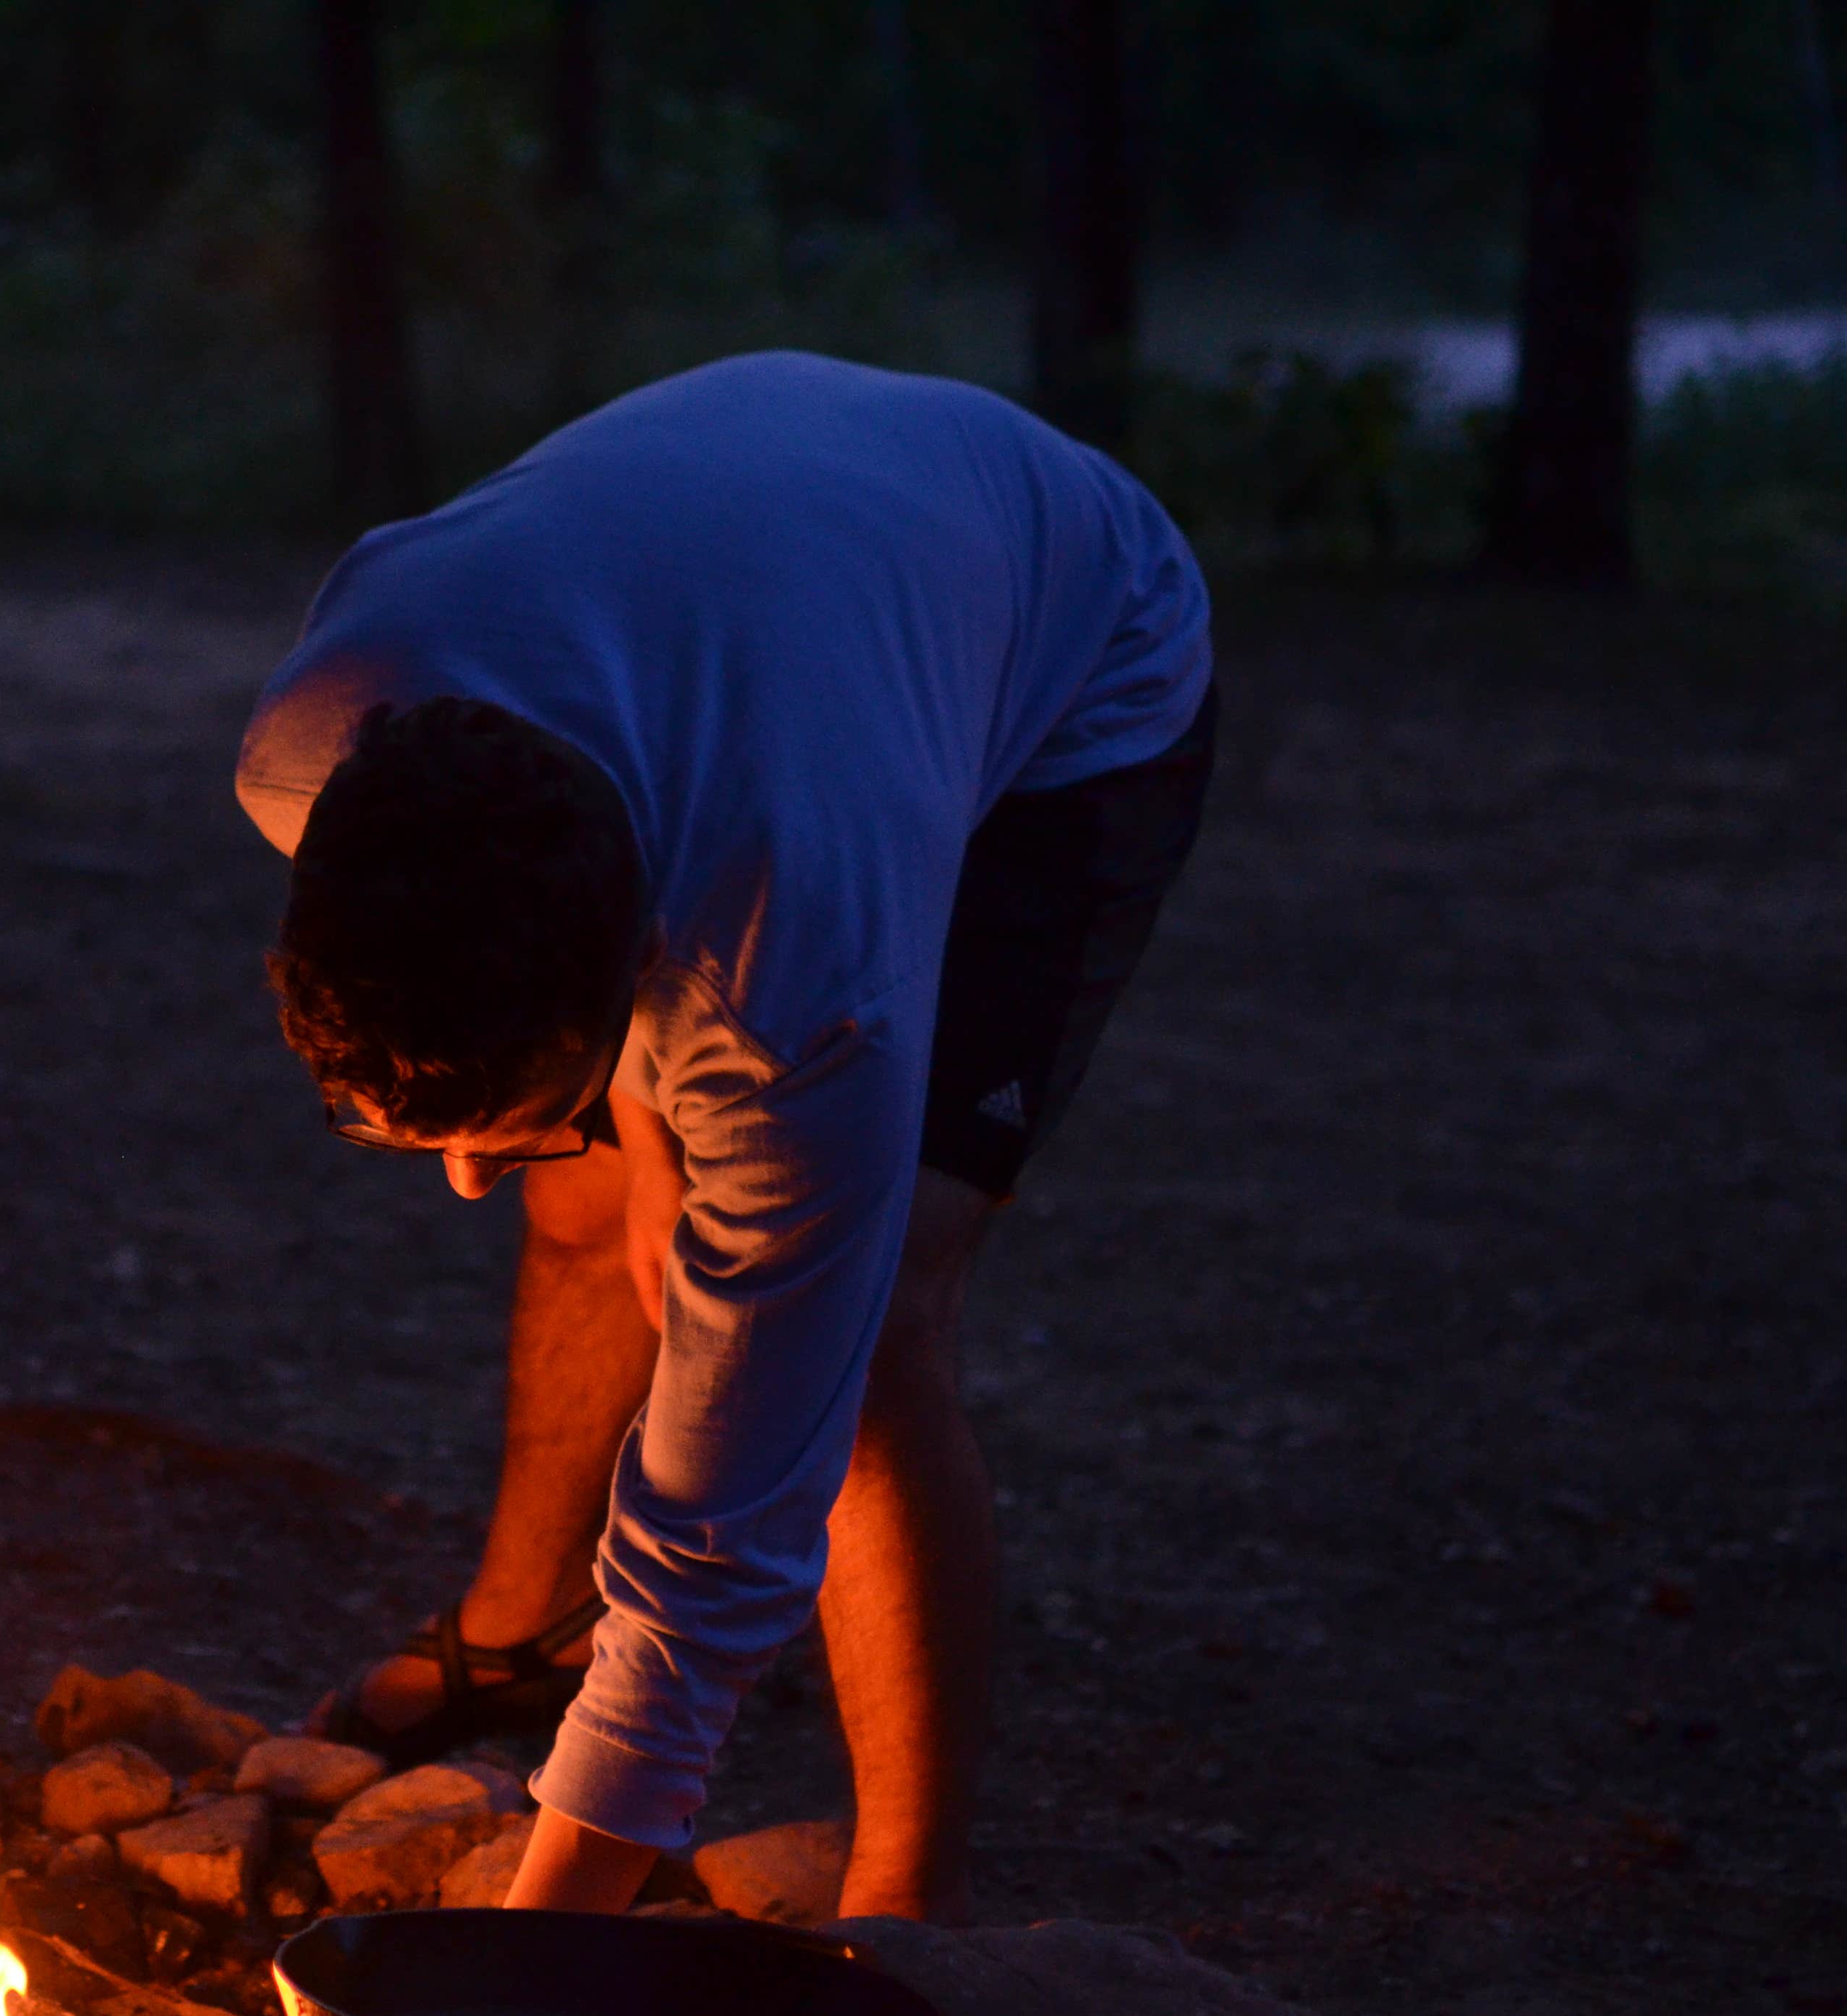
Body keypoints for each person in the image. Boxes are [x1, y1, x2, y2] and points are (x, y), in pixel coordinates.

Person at [235, 352, 1213, 1922]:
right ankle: (517, 1635)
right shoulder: (306, 754)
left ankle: (902, 1916)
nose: (464, 1181)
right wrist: (621, 1129)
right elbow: (571, 1003)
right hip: (771, 573)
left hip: (1070, 643)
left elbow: (716, 1554)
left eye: (502, 1130)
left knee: (868, 1333)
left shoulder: (799, 996)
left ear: (638, 962)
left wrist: (523, 1965)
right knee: (591, 1203)